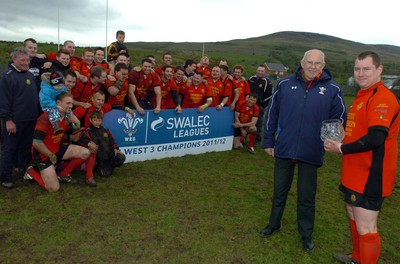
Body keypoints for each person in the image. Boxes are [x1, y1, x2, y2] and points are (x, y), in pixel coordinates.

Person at [259, 49, 347, 252]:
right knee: (279, 191)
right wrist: (269, 141)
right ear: (302, 62)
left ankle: (306, 234)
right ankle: (273, 224)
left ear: (323, 66)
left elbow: (339, 118)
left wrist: (331, 141)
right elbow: (272, 114)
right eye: (309, 62)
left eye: (318, 63)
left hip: (311, 150)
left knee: (307, 196)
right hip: (285, 147)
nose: (313, 66)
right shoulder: (284, 84)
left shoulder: (333, 89)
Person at [324, 51, 399, 264]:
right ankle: (356, 258)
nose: (361, 73)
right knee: (353, 213)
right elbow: (362, 129)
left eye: (366, 68)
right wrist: (343, 132)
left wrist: (341, 148)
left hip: (371, 173)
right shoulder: (362, 95)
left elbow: (376, 137)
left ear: (379, 69)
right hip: (354, 171)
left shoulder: (382, 97)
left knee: (366, 226)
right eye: (357, 69)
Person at [24, 92, 91, 192]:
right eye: (68, 103)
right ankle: (30, 171)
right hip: (43, 154)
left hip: (57, 149)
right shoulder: (46, 117)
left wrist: (77, 123)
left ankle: (63, 174)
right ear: (58, 102)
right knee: (53, 188)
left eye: (72, 104)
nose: (71, 106)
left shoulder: (67, 117)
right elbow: (36, 143)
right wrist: (50, 155)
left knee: (86, 152)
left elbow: (75, 138)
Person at [0, 47, 39, 189]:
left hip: (30, 119)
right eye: (22, 60)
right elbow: (3, 101)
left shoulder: (29, 75)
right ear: (14, 60)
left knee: (25, 147)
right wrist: (8, 120)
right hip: (14, 121)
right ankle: (5, 176)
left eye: (27, 60)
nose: (26, 62)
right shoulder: (7, 77)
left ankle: (23, 170)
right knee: (9, 148)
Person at [80, 111, 126, 178]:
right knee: (105, 174)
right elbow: (83, 140)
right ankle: (96, 167)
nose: (97, 122)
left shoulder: (106, 130)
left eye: (99, 120)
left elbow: (112, 140)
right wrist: (88, 143)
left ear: (101, 120)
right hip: (98, 158)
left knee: (121, 157)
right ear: (90, 120)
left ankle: (108, 167)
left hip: (109, 153)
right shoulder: (88, 131)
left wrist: (115, 148)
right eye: (95, 120)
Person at [248, 65, 273, 145]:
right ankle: (243, 138)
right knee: (246, 120)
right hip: (248, 105)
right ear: (256, 70)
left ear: (264, 72)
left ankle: (257, 141)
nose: (260, 72)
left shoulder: (267, 82)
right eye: (259, 70)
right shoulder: (251, 79)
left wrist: (262, 105)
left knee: (258, 124)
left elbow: (269, 96)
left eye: (262, 71)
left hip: (259, 107)